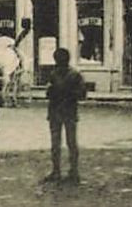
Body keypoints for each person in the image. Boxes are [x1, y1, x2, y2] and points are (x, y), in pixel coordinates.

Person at [44, 47, 87, 184]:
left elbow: (49, 94)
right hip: (67, 111)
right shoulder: (75, 75)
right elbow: (82, 94)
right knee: (69, 143)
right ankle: (71, 172)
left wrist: (60, 93)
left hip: (59, 111)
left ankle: (62, 171)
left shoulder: (56, 75)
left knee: (60, 143)